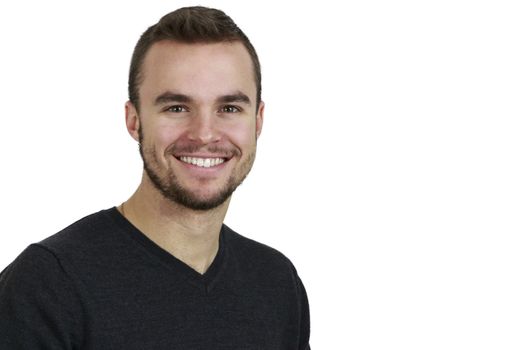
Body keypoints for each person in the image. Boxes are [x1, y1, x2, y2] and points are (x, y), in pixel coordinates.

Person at [0, 6, 310, 349]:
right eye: (176, 108)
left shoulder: (275, 283)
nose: (205, 134)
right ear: (134, 121)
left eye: (229, 108)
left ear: (258, 120)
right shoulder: (49, 285)